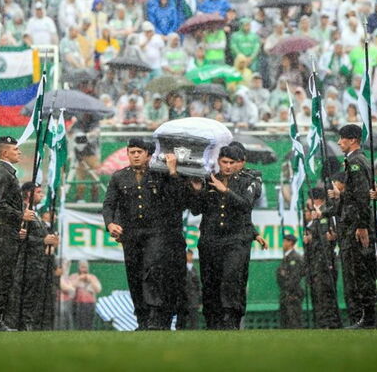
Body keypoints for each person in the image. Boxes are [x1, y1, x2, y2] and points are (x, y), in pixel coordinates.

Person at [103, 137, 187, 330]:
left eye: (139, 152)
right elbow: (109, 204)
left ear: (148, 155)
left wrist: (173, 172)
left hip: (156, 232)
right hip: (131, 234)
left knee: (152, 270)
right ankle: (142, 319)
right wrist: (110, 224)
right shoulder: (119, 177)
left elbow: (177, 197)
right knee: (134, 275)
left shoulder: (160, 174)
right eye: (132, 152)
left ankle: (155, 316)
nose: (135, 156)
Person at [185, 141, 261, 329]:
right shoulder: (208, 178)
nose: (227, 166)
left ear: (240, 163)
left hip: (236, 238)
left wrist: (225, 190)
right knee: (210, 281)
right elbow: (195, 210)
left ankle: (230, 319)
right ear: (218, 161)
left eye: (232, 162)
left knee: (231, 278)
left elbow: (245, 205)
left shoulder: (249, 180)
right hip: (210, 238)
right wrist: (196, 191)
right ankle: (213, 321)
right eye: (224, 162)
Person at [0, 135, 33, 332]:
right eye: (15, 149)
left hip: (7, 230)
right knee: (1, 276)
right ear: (4, 153)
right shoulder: (3, 173)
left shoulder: (7, 173)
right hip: (2, 232)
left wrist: (16, 224)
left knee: (5, 276)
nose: (19, 152)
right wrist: (20, 215)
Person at [329, 124, 377, 329]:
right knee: (356, 273)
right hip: (354, 223)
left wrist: (362, 226)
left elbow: (362, 197)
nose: (339, 142)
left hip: (357, 225)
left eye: (342, 138)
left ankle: (369, 319)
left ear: (353, 140)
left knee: (362, 273)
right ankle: (365, 318)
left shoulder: (356, 162)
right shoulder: (354, 161)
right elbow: (354, 195)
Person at [10, 182, 58, 331]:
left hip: (37, 263)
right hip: (26, 263)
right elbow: (19, 237)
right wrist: (43, 241)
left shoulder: (34, 213)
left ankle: (27, 323)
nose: (41, 195)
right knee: (24, 296)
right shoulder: (23, 212)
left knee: (32, 297)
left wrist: (48, 240)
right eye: (38, 192)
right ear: (29, 194)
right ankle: (21, 323)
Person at [304, 188, 341, 329]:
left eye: (310, 198)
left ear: (317, 200)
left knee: (326, 293)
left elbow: (329, 237)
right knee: (319, 294)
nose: (308, 202)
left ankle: (330, 323)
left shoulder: (327, 214)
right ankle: (322, 323)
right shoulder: (316, 216)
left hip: (326, 262)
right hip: (316, 262)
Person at [277, 233, 304, 329]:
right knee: (285, 321)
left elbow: (295, 277)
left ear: (290, 243)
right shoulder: (286, 257)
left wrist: (289, 290)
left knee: (293, 320)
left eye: (285, 241)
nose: (283, 244)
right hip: (285, 293)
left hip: (293, 294)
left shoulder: (295, 257)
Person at [69, 261, 102, 329]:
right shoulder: (74, 276)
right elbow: (69, 287)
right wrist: (79, 279)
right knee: (79, 325)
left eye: (86, 267)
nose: (84, 269)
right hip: (77, 304)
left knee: (89, 325)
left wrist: (91, 280)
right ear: (78, 268)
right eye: (82, 267)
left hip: (90, 304)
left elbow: (98, 289)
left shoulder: (92, 277)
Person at [176, 249, 202, 330]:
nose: (189, 257)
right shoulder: (181, 268)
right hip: (183, 299)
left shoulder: (194, 269)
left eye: (191, 255)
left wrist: (199, 299)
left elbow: (198, 286)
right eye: (188, 255)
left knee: (194, 321)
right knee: (181, 320)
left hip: (193, 299)